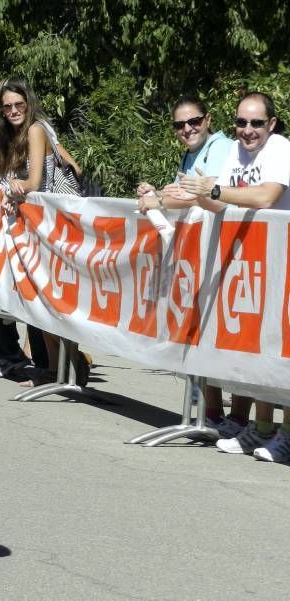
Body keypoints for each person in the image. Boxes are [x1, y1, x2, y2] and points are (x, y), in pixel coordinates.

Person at [180, 91, 290, 461]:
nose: (247, 130)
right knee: (259, 348)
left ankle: (286, 434)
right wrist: (192, 193)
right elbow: (220, 200)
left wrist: (211, 189)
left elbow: (265, 196)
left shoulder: (279, 148)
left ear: (271, 124)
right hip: (251, 261)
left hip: (281, 259)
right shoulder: (236, 154)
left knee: (283, 350)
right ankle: (258, 429)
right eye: (241, 122)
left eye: (256, 123)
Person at [136, 96, 238, 436]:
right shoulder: (193, 150)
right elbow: (186, 191)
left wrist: (161, 199)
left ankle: (234, 418)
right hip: (200, 252)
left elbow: (207, 193)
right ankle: (210, 411)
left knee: (223, 332)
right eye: (179, 125)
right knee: (201, 327)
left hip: (226, 250)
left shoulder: (221, 146)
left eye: (193, 122)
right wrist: (158, 192)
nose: (187, 129)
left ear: (208, 119)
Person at [0, 78, 62, 381]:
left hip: (42, 224)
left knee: (39, 293)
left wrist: (13, 186)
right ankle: (41, 364)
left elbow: (34, 182)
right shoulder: (9, 134)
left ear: (29, 103)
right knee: (14, 289)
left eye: (19, 105)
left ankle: (60, 367)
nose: (13, 110)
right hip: (21, 224)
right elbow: (12, 171)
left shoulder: (37, 129)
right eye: (7, 105)